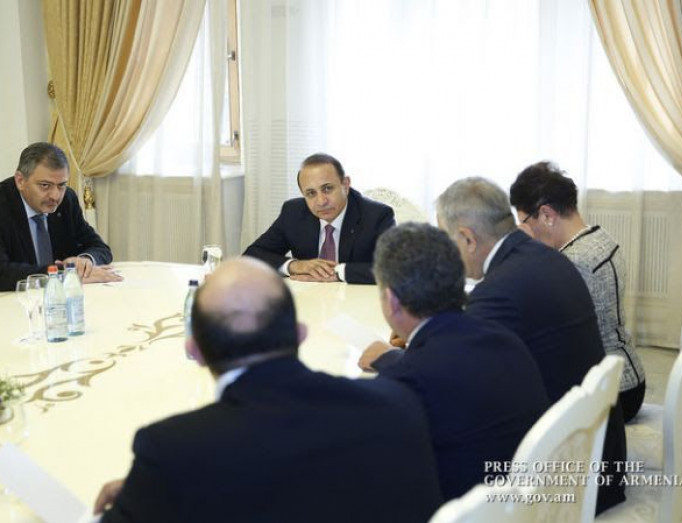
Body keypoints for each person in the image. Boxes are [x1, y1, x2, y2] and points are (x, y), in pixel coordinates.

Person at [94, 257, 443, 523]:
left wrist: (151, 488)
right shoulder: (397, 404)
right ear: (300, 333)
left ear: (194, 350)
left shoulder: (170, 450)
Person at [435, 177, 626, 514]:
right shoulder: (546, 257)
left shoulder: (499, 290)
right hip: (597, 452)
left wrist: (395, 355)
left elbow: (452, 375)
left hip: (563, 481)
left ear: (467, 238)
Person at [358, 223, 550, 500]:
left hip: (464, 510)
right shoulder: (505, 338)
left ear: (391, 300)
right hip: (528, 500)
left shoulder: (405, 382)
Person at [509, 161, 646, 421]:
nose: (524, 233)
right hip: (627, 377)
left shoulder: (570, 264)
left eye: (524, 223)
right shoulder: (600, 238)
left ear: (547, 215)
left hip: (608, 395)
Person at [0, 142, 121, 301]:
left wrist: (84, 262)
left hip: (47, 300)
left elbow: (100, 248)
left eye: (61, 185)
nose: (55, 196)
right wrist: (67, 273)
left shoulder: (66, 200)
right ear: (20, 180)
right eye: (45, 185)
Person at [243, 153, 395, 284]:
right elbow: (252, 256)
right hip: (310, 297)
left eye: (327, 189)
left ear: (345, 185)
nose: (321, 201)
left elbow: (395, 269)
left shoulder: (377, 215)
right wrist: (295, 266)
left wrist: (337, 272)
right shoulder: (293, 212)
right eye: (311, 193)